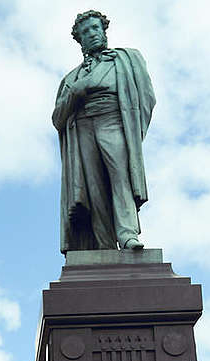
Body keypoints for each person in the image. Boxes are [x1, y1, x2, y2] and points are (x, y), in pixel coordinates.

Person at [52, 9, 155, 252]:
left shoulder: (127, 59)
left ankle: (128, 234)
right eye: (86, 31)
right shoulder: (71, 78)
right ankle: (104, 244)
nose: (92, 34)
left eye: (95, 28)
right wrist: (76, 92)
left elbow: (147, 98)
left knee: (121, 178)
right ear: (79, 39)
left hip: (113, 120)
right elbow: (58, 118)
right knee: (94, 188)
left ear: (104, 31)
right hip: (83, 127)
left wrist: (134, 132)